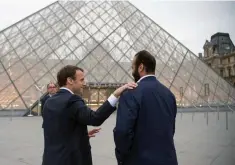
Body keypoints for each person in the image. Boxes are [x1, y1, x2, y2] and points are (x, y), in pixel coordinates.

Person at [42, 65, 137, 165]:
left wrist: (82, 136)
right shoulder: (72, 100)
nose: (85, 83)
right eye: (81, 80)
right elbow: (95, 118)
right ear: (70, 80)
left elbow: (57, 130)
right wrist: (115, 94)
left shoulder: (49, 102)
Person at [113, 50, 178, 165]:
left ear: (141, 67)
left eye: (133, 67)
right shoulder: (169, 94)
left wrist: (121, 158)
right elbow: (170, 129)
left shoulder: (130, 93)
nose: (132, 70)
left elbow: (122, 132)